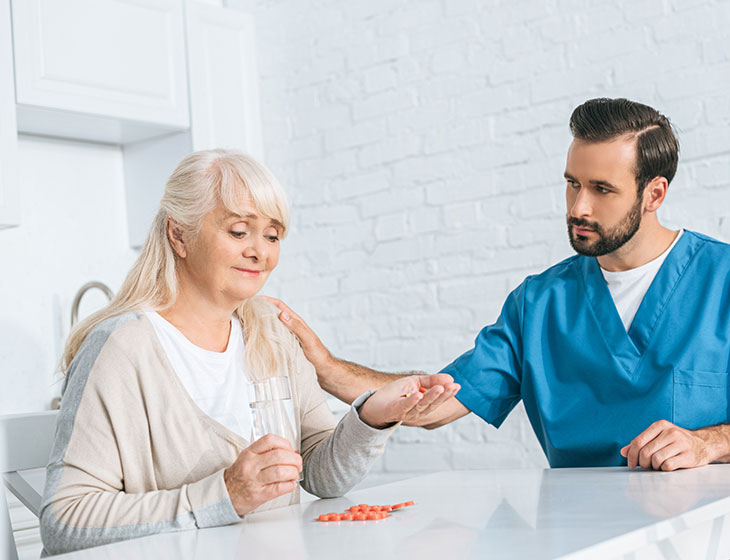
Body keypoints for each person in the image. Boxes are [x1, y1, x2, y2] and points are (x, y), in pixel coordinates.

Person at [267, 98, 730, 560]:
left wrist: (709, 442)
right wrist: (326, 368)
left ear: (655, 193)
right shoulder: (539, 302)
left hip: (718, 541)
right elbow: (437, 402)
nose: (578, 206)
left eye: (602, 190)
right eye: (571, 183)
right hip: (587, 541)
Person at [39, 150, 452, 556]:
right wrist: (224, 494)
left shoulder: (273, 335)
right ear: (178, 235)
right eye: (239, 231)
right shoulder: (122, 348)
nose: (261, 252)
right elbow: (65, 520)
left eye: (272, 235)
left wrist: (369, 417)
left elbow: (320, 477)